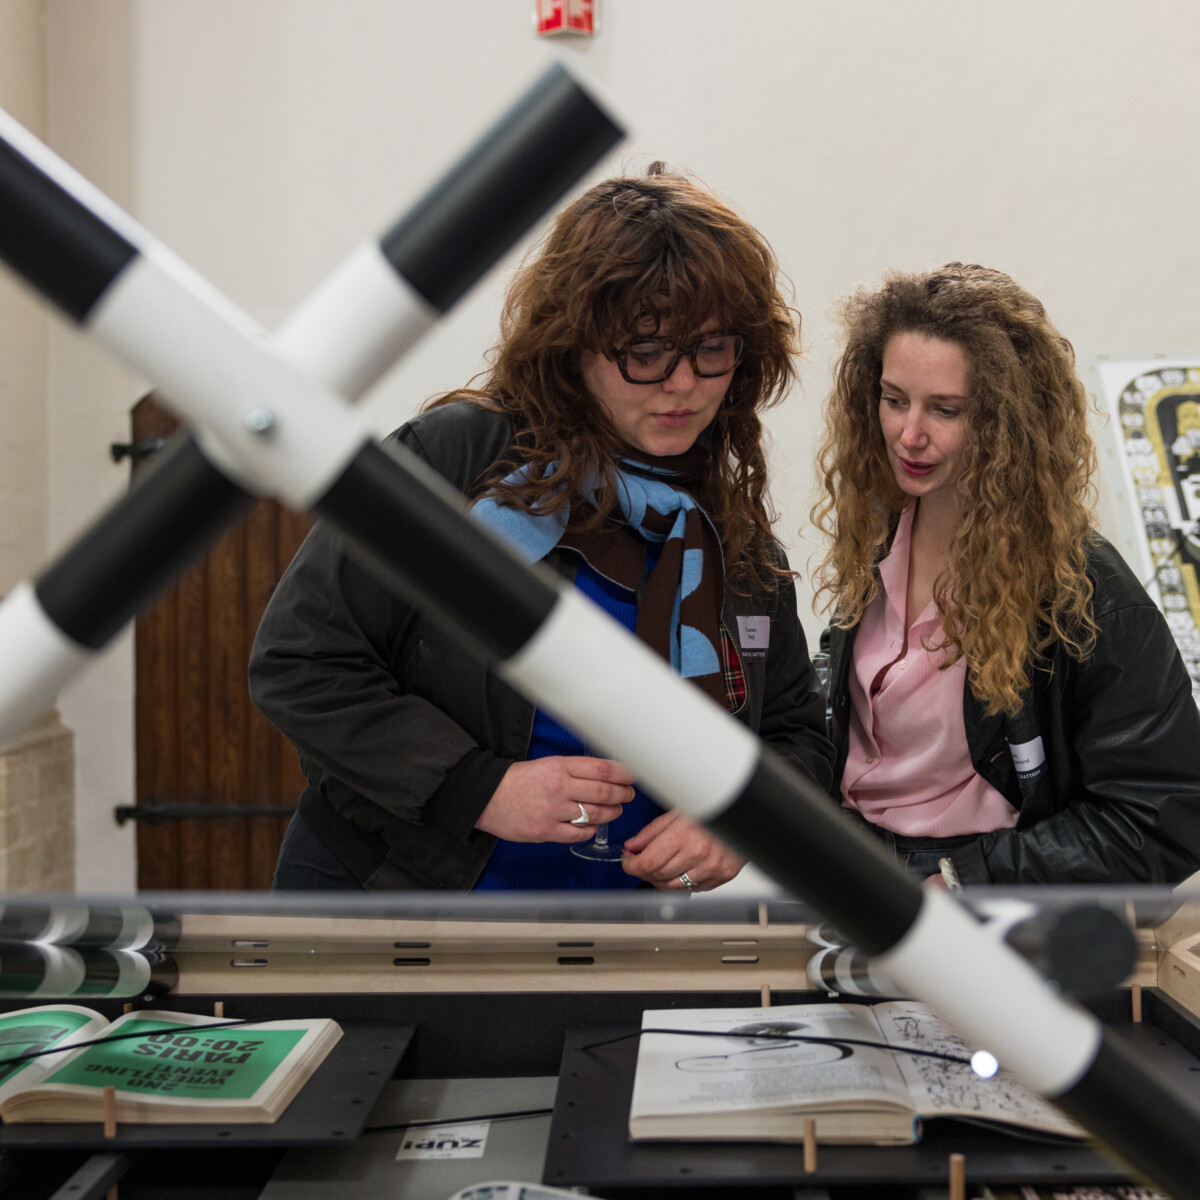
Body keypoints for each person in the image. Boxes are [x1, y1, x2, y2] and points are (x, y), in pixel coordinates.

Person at [250, 164, 836, 893]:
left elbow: (795, 733)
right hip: (393, 909)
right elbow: (301, 660)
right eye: (645, 352)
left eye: (711, 349)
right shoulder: (457, 459)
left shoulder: (727, 527)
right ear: (574, 346)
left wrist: (749, 818)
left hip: (618, 940)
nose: (682, 384)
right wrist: (478, 787)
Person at [812, 261, 1200, 886]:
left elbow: (1165, 816)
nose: (908, 434)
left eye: (946, 409)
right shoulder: (876, 536)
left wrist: (971, 881)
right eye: (893, 400)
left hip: (976, 888)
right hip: (849, 871)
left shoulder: (1087, 592)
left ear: (1004, 422)